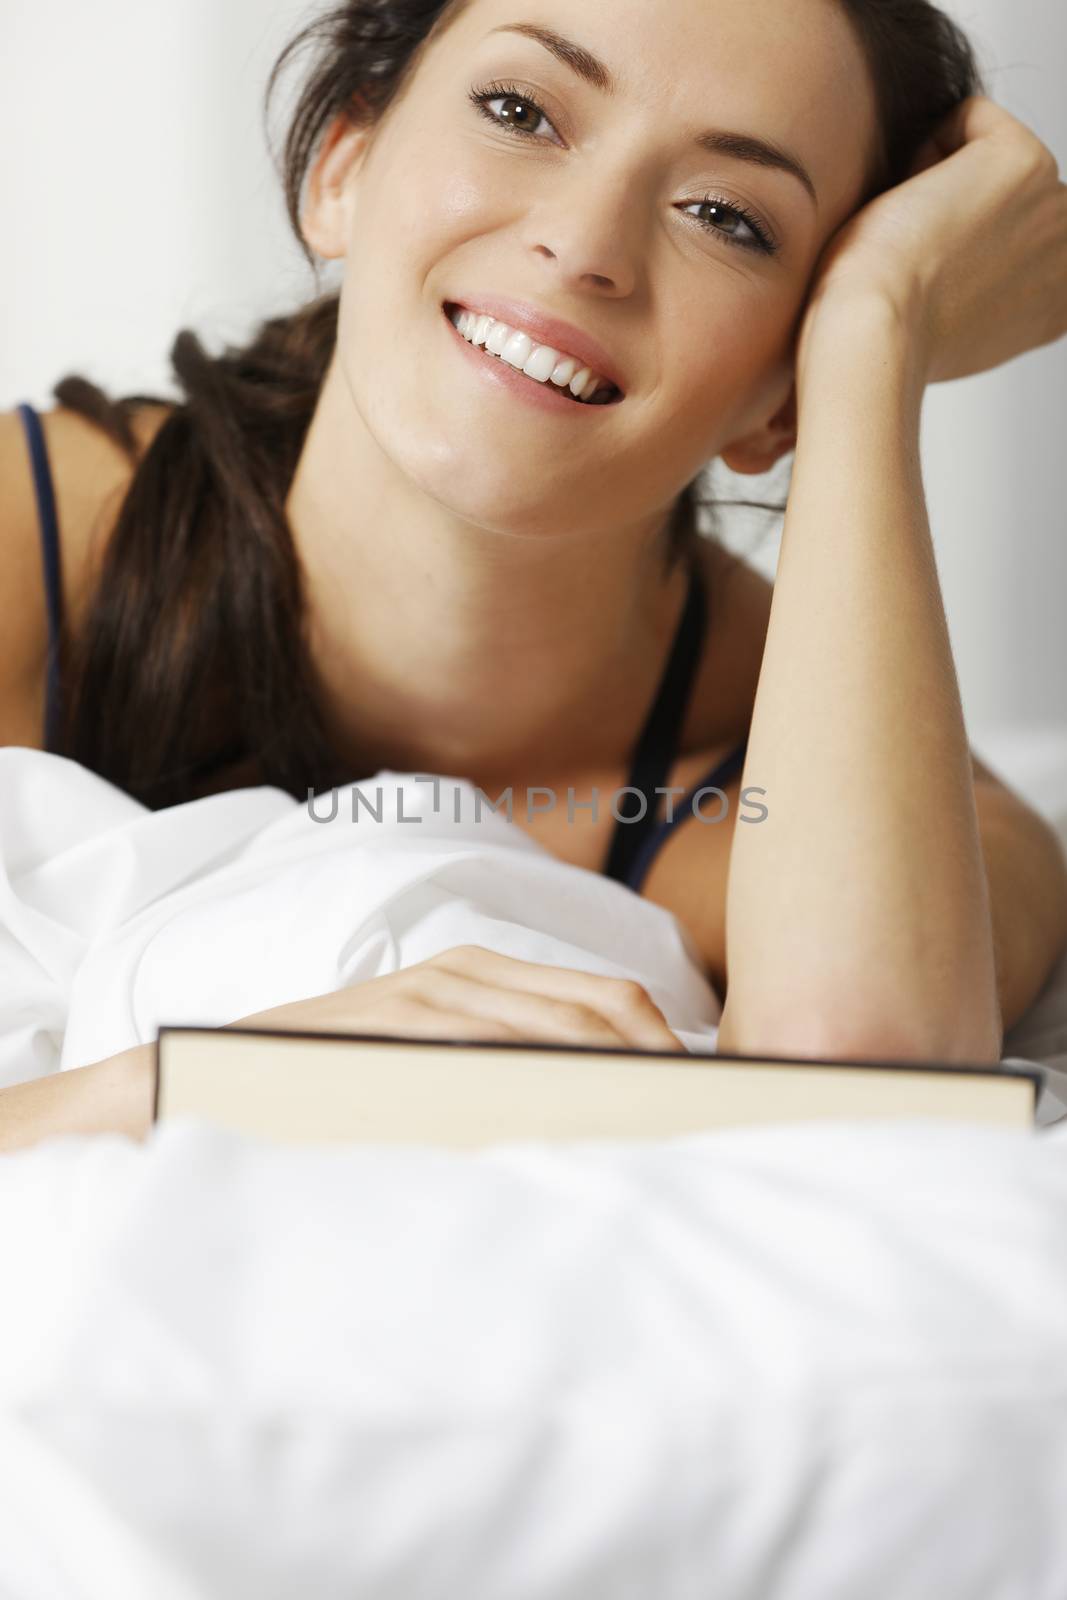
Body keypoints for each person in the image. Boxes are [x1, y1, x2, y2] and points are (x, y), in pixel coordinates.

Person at [2, 0, 1067, 1151]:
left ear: (781, 395)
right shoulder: (36, 538)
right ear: (339, 163)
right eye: (519, 111)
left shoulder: (801, 769)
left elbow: (868, 1067)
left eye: (725, 216)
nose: (585, 246)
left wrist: (873, 329)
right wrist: (186, 1089)